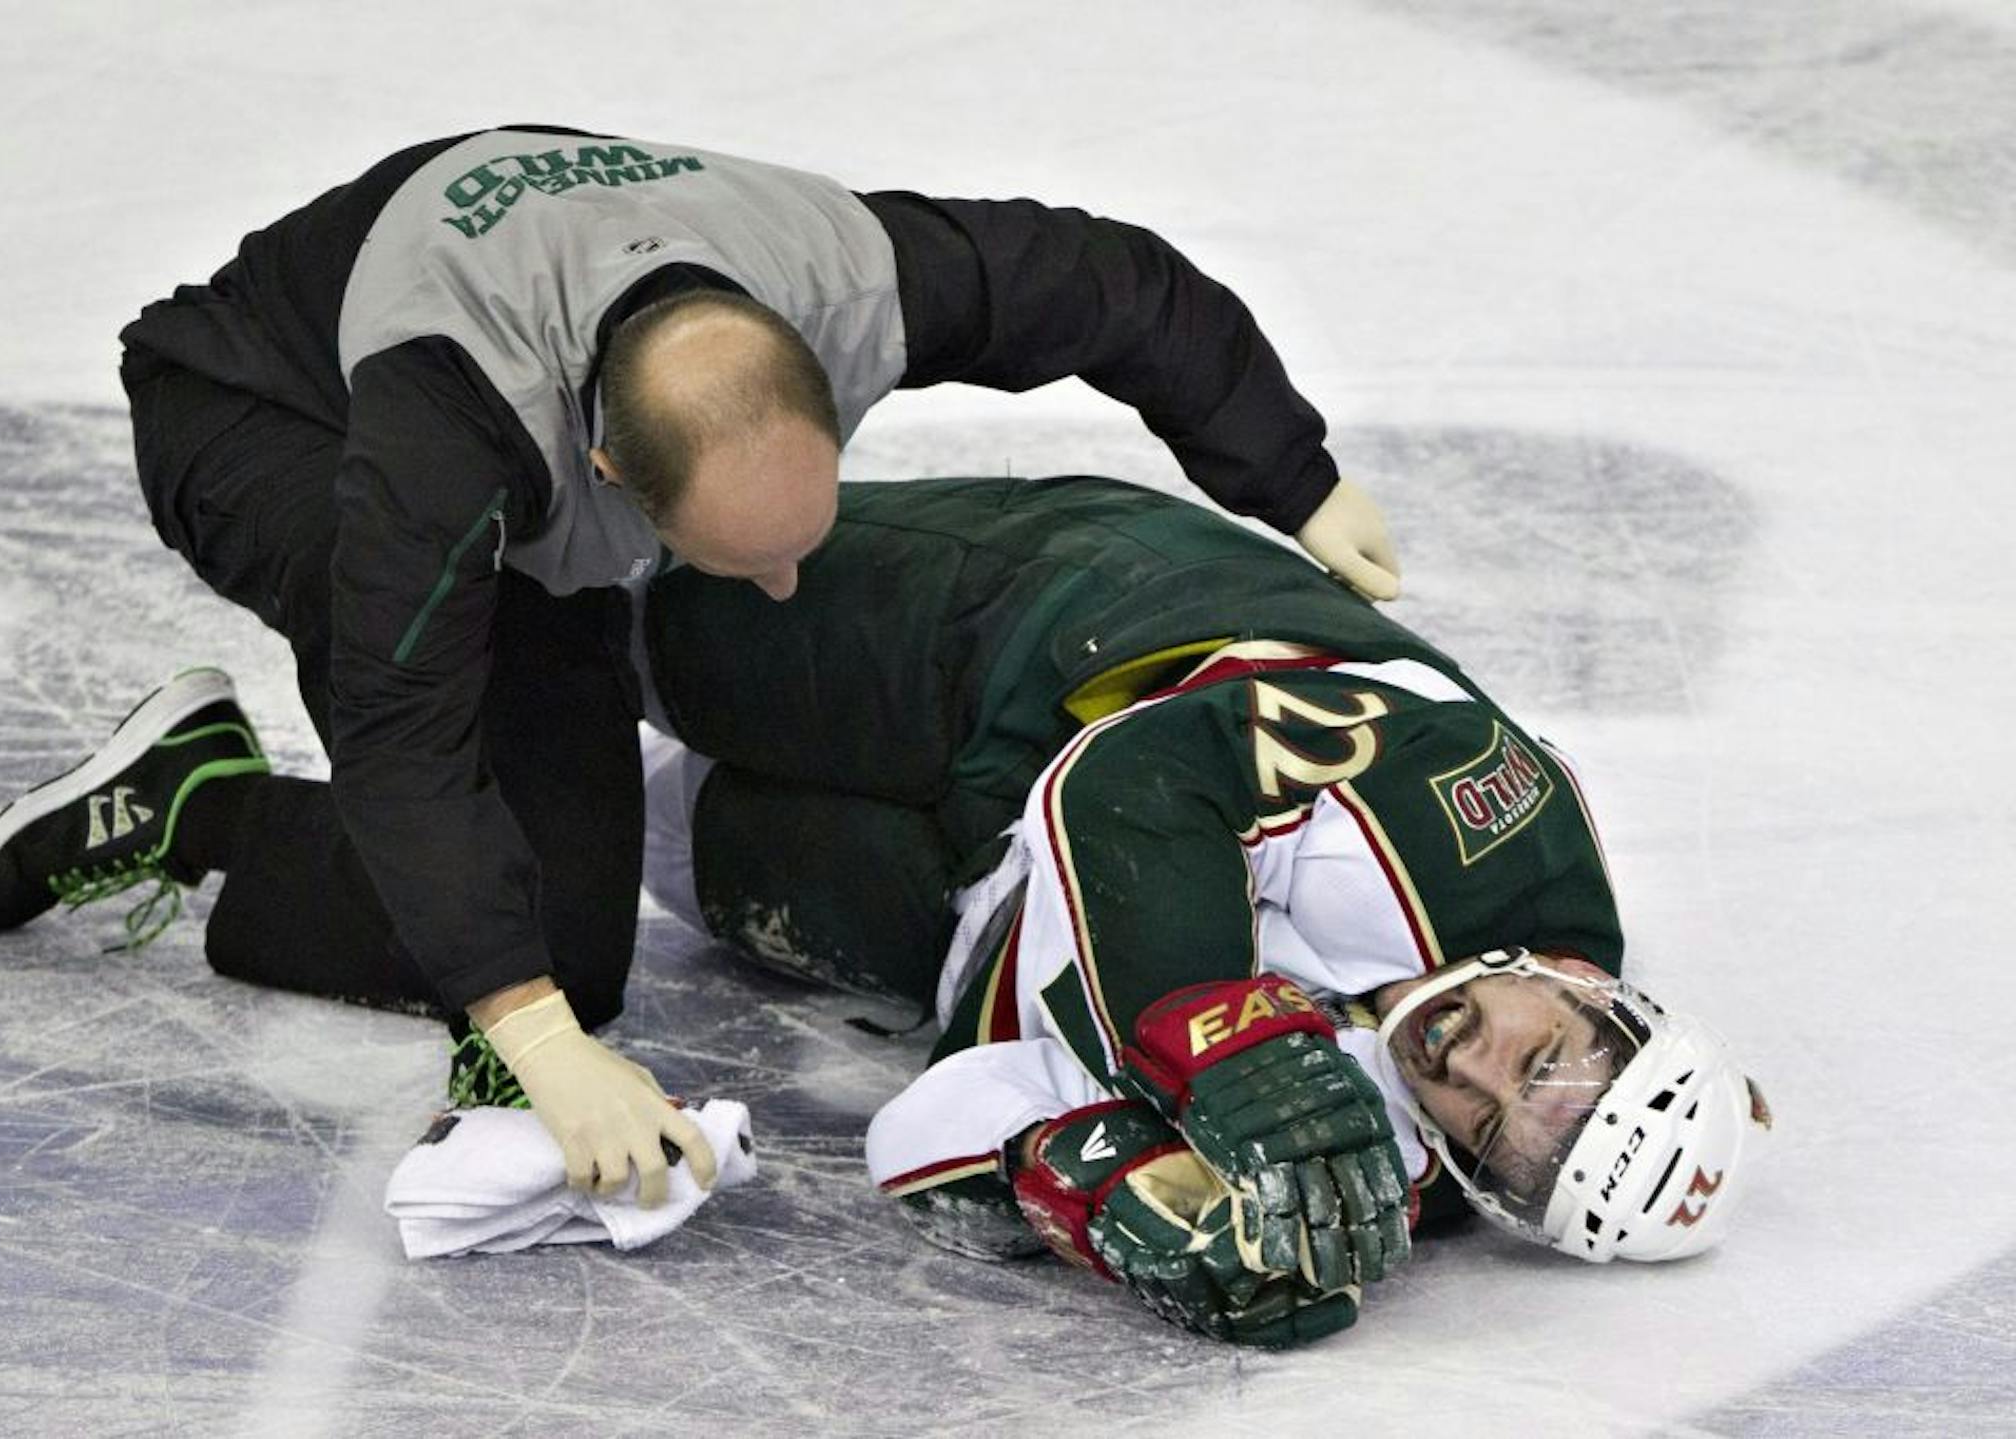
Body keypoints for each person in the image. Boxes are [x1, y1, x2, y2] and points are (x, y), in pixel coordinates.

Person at [0, 126, 1403, 1208]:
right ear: (601, 472)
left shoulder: (857, 273)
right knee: (539, 958)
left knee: (561, 912)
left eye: (795, 539)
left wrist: (1297, 479)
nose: (782, 587)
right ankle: (191, 803)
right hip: (261, 412)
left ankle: (294, 820)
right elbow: (411, 734)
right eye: (737, 553)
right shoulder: (451, 439)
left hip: (531, 393)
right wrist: (528, 1032)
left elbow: (1120, 286)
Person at [631, 473, 1769, 1346]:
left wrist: (1103, 1194)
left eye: (1487, 1129)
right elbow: (1133, 776)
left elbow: (925, 1125)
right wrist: (1218, 1042)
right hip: (1055, 631)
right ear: (1602, 997)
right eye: (1541, 1059)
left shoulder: (1377, 1174)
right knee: (629, 624)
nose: (1467, 1071)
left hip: (965, 897)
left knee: (624, 840)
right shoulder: (1487, 813)